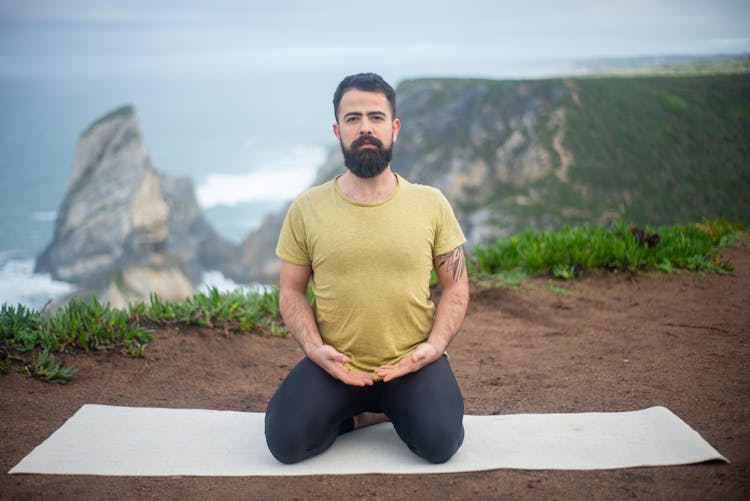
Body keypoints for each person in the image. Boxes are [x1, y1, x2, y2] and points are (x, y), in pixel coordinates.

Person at [264, 72, 469, 465]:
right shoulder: (307, 208)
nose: (365, 128)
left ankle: (395, 407)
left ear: (394, 128)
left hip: (412, 362)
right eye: (353, 118)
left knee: (440, 443)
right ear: (337, 130)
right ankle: (366, 414)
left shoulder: (431, 203)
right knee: (285, 443)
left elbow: (456, 288)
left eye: (376, 117)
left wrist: (434, 347)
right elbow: (290, 292)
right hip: (336, 366)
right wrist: (314, 349)